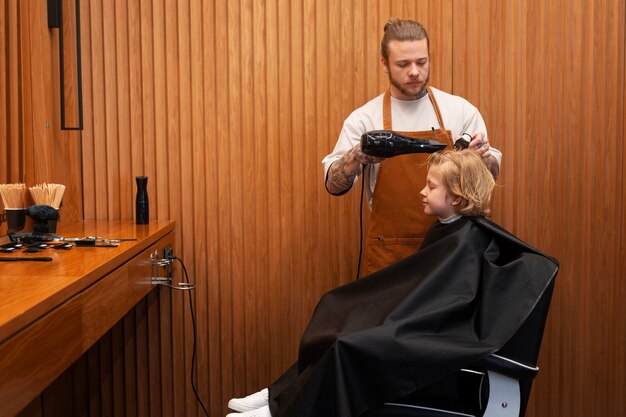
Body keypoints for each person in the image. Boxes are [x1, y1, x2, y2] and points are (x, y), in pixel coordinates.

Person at [225, 150, 558, 417]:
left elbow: (450, 300)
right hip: (419, 322)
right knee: (336, 311)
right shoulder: (450, 229)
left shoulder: (467, 241)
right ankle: (277, 397)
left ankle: (280, 410)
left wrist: (398, 321)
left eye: (431, 186)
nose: (422, 192)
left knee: (347, 344)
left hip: (434, 334)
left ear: (456, 198)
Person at [322, 18, 502, 276]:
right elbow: (332, 184)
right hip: (390, 255)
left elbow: (493, 173)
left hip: (451, 250)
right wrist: (355, 157)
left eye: (421, 62)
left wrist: (482, 159)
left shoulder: (460, 111)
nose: (415, 71)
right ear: (384, 63)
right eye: (403, 64)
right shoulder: (364, 119)